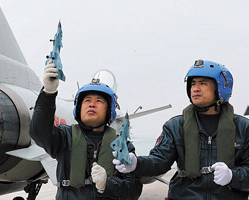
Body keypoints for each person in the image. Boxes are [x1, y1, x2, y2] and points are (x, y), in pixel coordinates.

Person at [113, 60, 249, 199]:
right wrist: (137, 163)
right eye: (192, 83)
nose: (195, 88)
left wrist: (233, 176)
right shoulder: (175, 126)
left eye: (202, 83)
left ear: (221, 87)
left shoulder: (243, 128)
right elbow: (159, 161)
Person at [29, 61, 142, 200]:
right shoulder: (65, 138)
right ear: (79, 108)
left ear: (109, 110)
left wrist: (108, 184)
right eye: (87, 100)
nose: (92, 104)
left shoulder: (122, 146)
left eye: (99, 101)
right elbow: (38, 132)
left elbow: (134, 189)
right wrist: (48, 93)